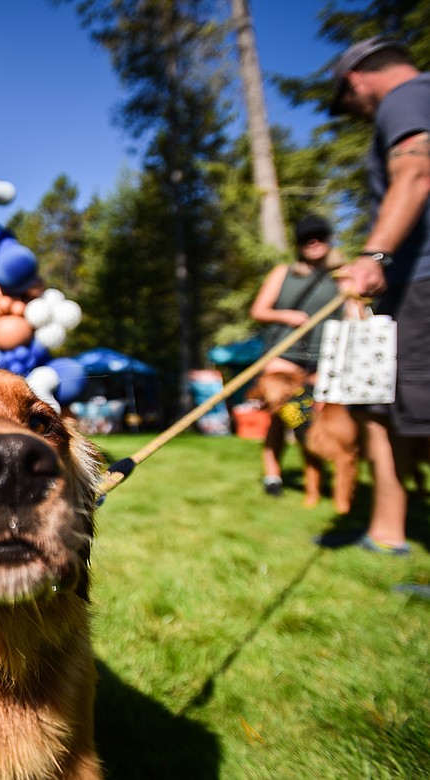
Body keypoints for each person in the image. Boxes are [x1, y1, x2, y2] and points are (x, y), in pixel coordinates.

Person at [324, 37, 430, 556]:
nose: (358, 113)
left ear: (356, 79)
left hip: (419, 281)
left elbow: (415, 172)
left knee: (417, 410)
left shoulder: (407, 97)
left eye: (349, 104)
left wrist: (376, 256)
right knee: (382, 409)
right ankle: (387, 531)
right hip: (408, 287)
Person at [249, 214, 344, 496]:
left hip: (323, 357)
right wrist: (286, 315)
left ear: (328, 239)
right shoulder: (284, 273)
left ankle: (317, 475)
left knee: (316, 417)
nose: (313, 243)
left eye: (319, 236)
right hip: (285, 354)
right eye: (306, 239)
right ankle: (273, 476)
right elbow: (258, 310)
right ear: (299, 245)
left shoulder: (342, 275)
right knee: (283, 416)